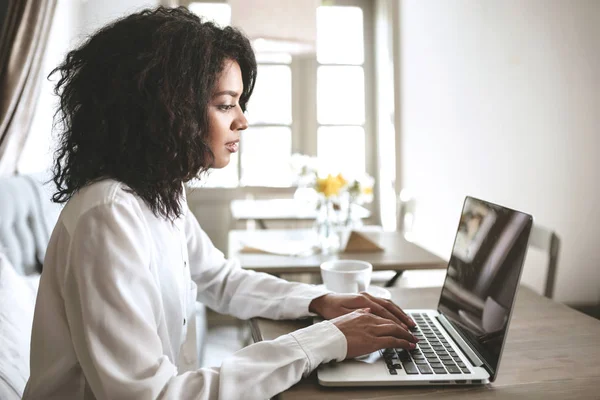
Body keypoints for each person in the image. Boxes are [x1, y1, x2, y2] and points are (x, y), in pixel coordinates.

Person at [23, 6, 418, 400]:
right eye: (226, 104)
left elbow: (219, 279)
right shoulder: (108, 215)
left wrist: (318, 300)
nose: (242, 120)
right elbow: (153, 396)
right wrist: (324, 341)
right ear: (169, 109)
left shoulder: (159, 192)